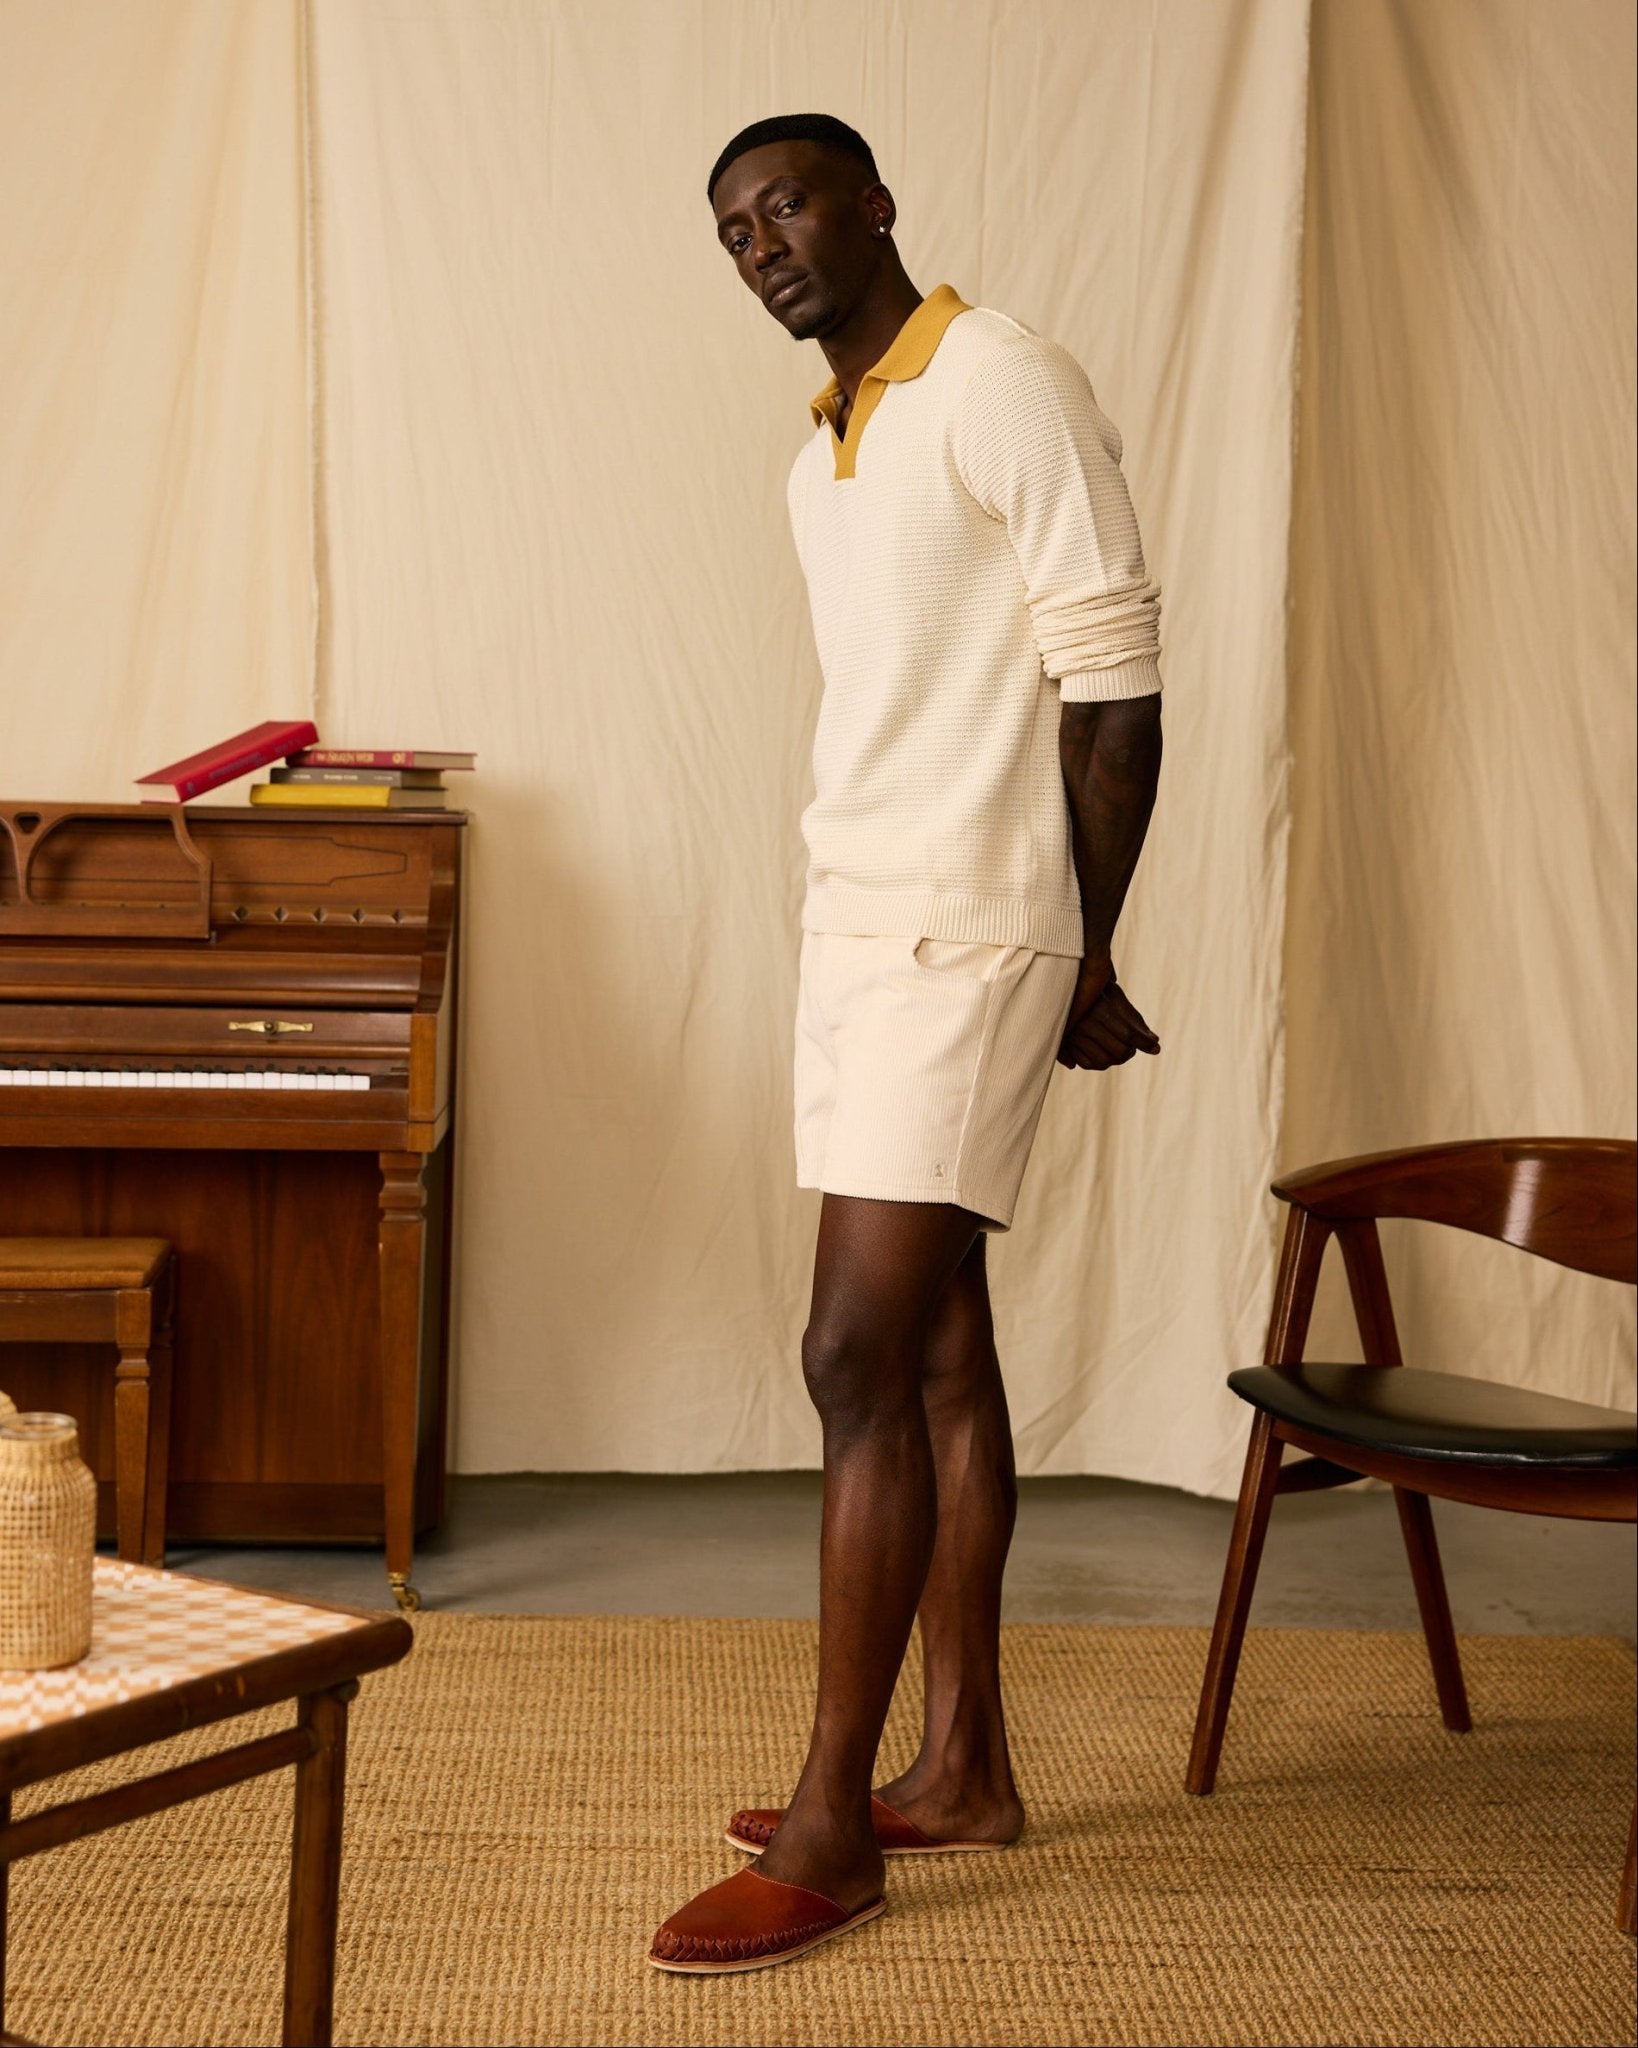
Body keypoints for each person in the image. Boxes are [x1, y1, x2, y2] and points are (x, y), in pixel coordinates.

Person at [649, 112, 1165, 1976]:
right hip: (857, 917)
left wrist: (1084, 949)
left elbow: (1114, 683)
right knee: (937, 1351)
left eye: (784, 202)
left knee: (846, 1352)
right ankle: (963, 1772)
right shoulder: (820, 455)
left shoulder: (1003, 378)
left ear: (872, 201)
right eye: (731, 228)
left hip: (972, 925)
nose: (761, 242)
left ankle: (829, 1827)